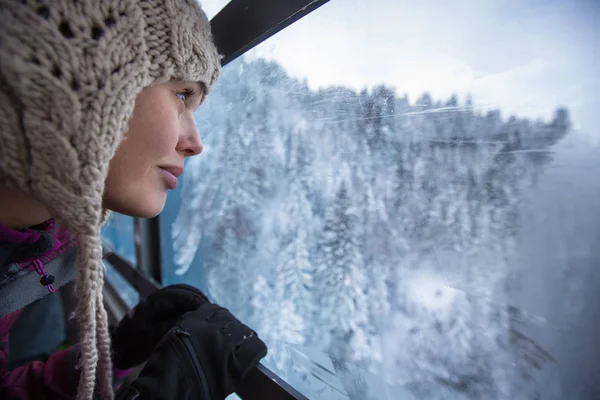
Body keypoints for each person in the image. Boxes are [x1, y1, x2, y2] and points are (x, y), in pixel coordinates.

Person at [0, 0, 267, 399]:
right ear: (83, 75)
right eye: (182, 95)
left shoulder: (25, 243)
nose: (195, 143)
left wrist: (116, 355)